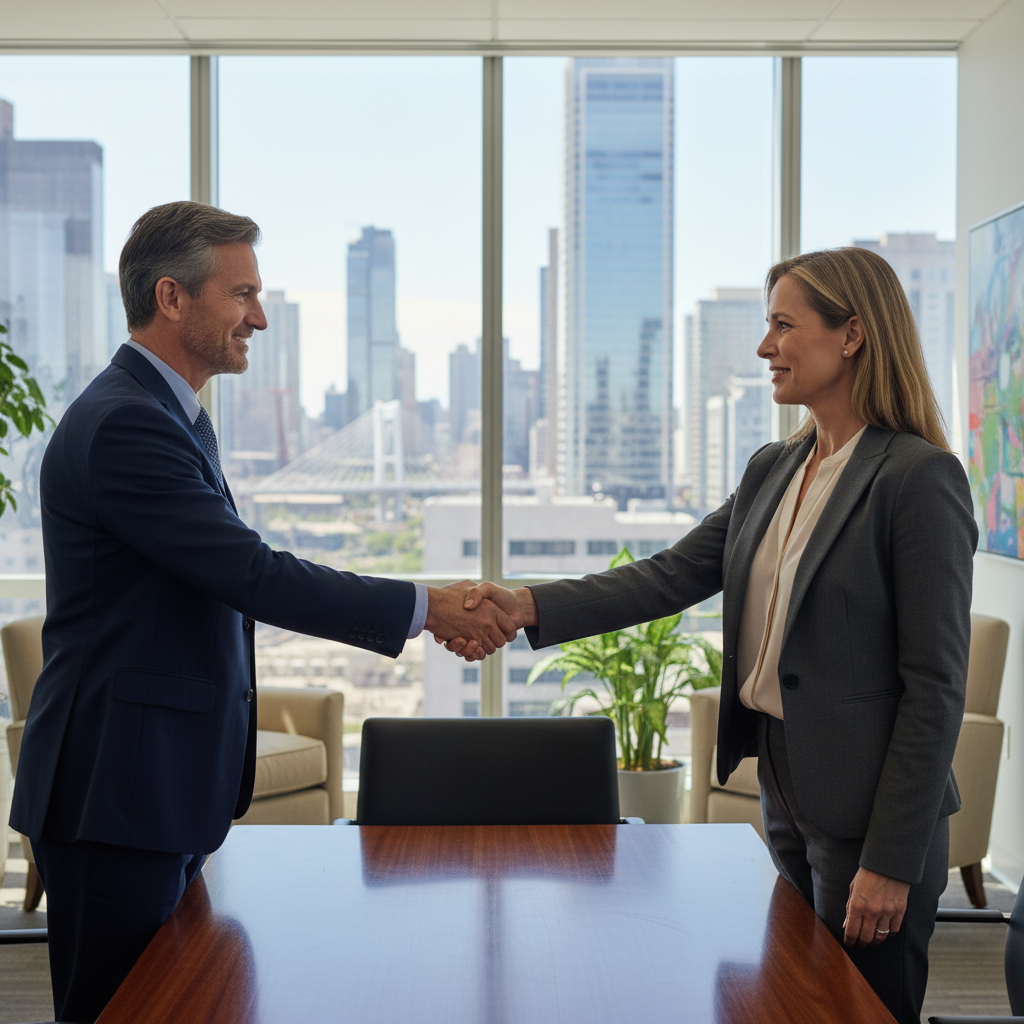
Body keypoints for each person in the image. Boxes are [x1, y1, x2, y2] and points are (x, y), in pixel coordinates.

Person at [8, 201, 515, 1024]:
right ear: (172, 298)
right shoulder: (126, 424)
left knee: (174, 1003)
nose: (261, 316)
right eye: (241, 294)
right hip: (117, 789)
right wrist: (427, 607)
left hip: (154, 784)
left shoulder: (166, 412)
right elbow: (251, 574)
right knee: (118, 1010)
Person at [446, 247, 977, 1024]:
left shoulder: (916, 478)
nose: (765, 348)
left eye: (783, 326)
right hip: (785, 780)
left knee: (862, 1008)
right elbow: (669, 575)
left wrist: (890, 862)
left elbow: (935, 688)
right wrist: (525, 603)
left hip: (874, 806)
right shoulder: (777, 467)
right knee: (792, 998)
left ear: (854, 334)